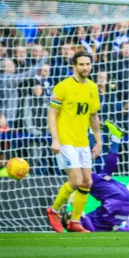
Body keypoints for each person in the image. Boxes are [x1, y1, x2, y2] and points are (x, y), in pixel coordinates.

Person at [47, 50, 102, 233]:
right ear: (74, 66)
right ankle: (54, 211)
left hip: (82, 141)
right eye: (81, 64)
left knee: (87, 182)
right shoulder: (62, 87)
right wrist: (55, 139)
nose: (85, 67)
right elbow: (52, 114)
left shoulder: (93, 87)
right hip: (65, 140)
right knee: (77, 180)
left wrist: (99, 142)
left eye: (88, 64)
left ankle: (74, 221)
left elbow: (94, 117)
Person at [61, 120, 129, 232]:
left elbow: (127, 230)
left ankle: (116, 138)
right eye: (69, 217)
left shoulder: (101, 228)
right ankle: (92, 131)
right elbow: (89, 228)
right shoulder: (84, 225)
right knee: (83, 174)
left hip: (126, 200)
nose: (71, 215)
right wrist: (78, 211)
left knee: (104, 175)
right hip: (114, 199)